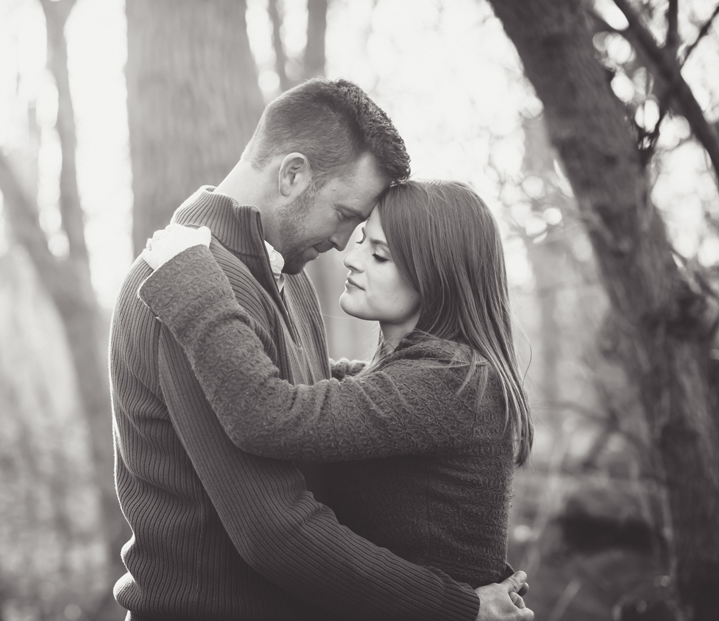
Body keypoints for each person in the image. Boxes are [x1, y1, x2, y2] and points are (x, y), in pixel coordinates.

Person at [109, 78, 532, 620]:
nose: (342, 245)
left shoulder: (287, 276)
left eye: (374, 245)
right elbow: (274, 528)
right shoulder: (189, 282)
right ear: (292, 175)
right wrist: (458, 606)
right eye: (346, 215)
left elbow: (315, 400)